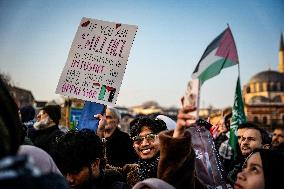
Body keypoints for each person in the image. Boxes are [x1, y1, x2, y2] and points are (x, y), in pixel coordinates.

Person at [0, 76, 69, 188]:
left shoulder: (59, 137)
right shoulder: (33, 133)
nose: (38, 116)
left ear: (51, 118)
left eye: (43, 114)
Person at [53, 129, 129, 189]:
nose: (69, 179)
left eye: (75, 172)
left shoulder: (116, 186)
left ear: (95, 164)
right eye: (64, 172)